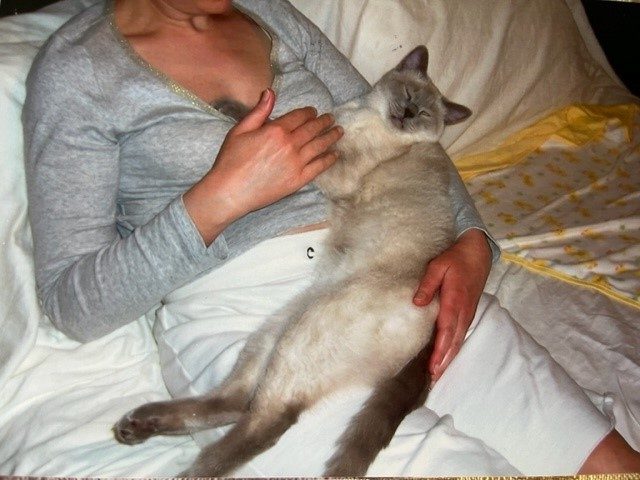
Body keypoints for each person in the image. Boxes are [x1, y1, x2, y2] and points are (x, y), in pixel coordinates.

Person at [23, 0, 640, 475]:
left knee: (609, 465)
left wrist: (473, 241)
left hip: (400, 277)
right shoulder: (78, 69)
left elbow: (404, 136)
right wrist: (218, 199)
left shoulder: (268, 12)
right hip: (250, 315)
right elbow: (73, 303)